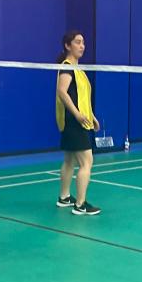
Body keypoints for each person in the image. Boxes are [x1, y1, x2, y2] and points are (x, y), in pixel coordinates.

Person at [56, 30, 101, 216]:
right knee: (86, 162)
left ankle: (64, 197)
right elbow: (62, 92)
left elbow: (80, 97)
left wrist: (91, 116)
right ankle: (80, 205)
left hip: (75, 120)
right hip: (74, 122)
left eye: (83, 42)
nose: (82, 46)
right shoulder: (67, 67)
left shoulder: (77, 69)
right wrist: (77, 115)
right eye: (77, 42)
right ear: (68, 46)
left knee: (69, 160)